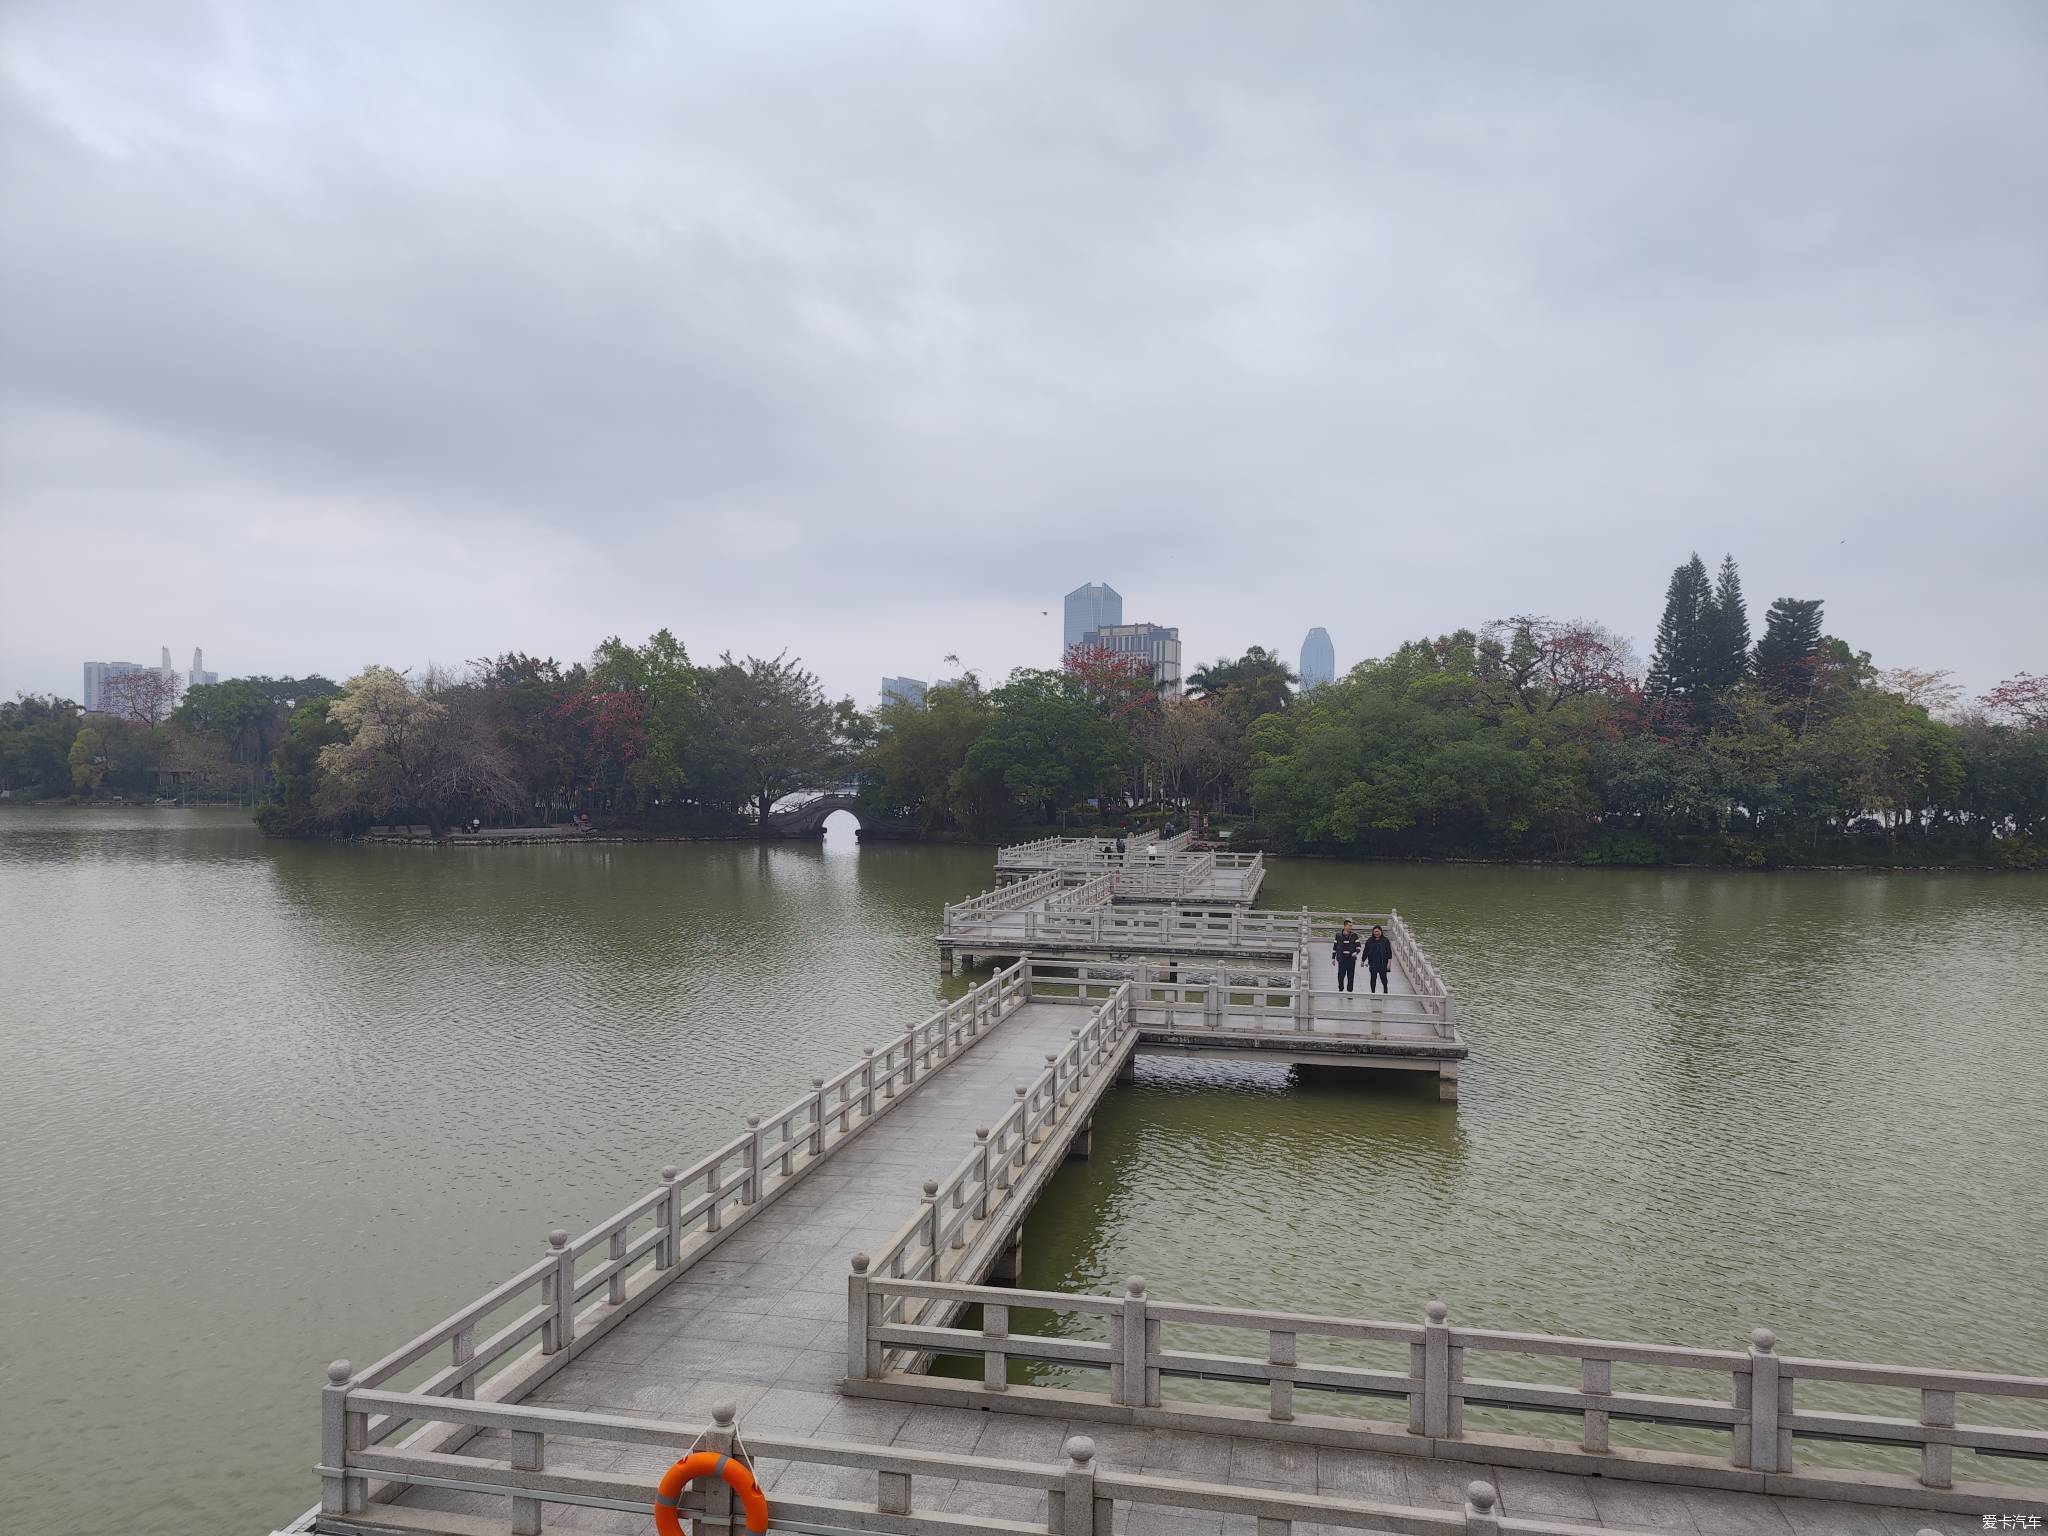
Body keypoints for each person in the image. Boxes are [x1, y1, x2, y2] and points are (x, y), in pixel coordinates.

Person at [1332, 918, 1362, 993]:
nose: (1350, 927)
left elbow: (1358, 946)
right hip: (1341, 958)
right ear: (1345, 926)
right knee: (1341, 975)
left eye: (1351, 926)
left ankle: (1350, 991)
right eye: (1349, 925)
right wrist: (1333, 958)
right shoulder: (1338, 935)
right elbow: (1335, 947)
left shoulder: (1354, 935)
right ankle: (1341, 988)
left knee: (1350, 975)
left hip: (1351, 958)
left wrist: (1356, 952)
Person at [1364, 924, 1393, 994]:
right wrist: (1363, 960)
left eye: (1378, 931)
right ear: (1373, 932)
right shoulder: (1370, 940)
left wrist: (1389, 964)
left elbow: (1389, 953)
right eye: (1375, 932)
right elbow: (1366, 951)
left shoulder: (1385, 940)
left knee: (1384, 979)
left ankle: (1385, 992)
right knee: (1373, 979)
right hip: (1373, 963)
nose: (1376, 933)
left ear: (1381, 931)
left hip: (1382, 963)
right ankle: (1373, 992)